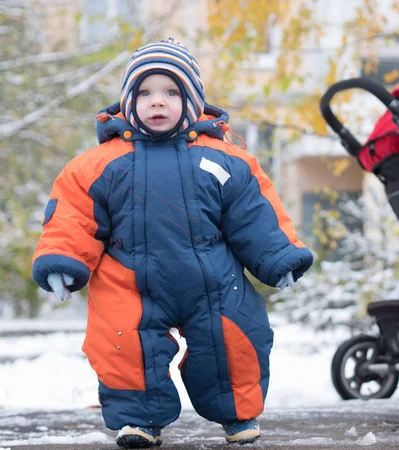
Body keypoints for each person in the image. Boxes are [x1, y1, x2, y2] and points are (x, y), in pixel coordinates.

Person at [32, 38, 314, 448]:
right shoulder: (99, 164)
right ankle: (138, 420)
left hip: (213, 279)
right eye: (144, 93)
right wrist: (61, 259)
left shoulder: (224, 159)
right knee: (122, 343)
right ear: (128, 101)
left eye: (170, 92)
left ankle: (236, 413)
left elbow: (254, 213)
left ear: (193, 99)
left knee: (235, 338)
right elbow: (73, 215)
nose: (156, 102)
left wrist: (278, 256)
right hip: (130, 279)